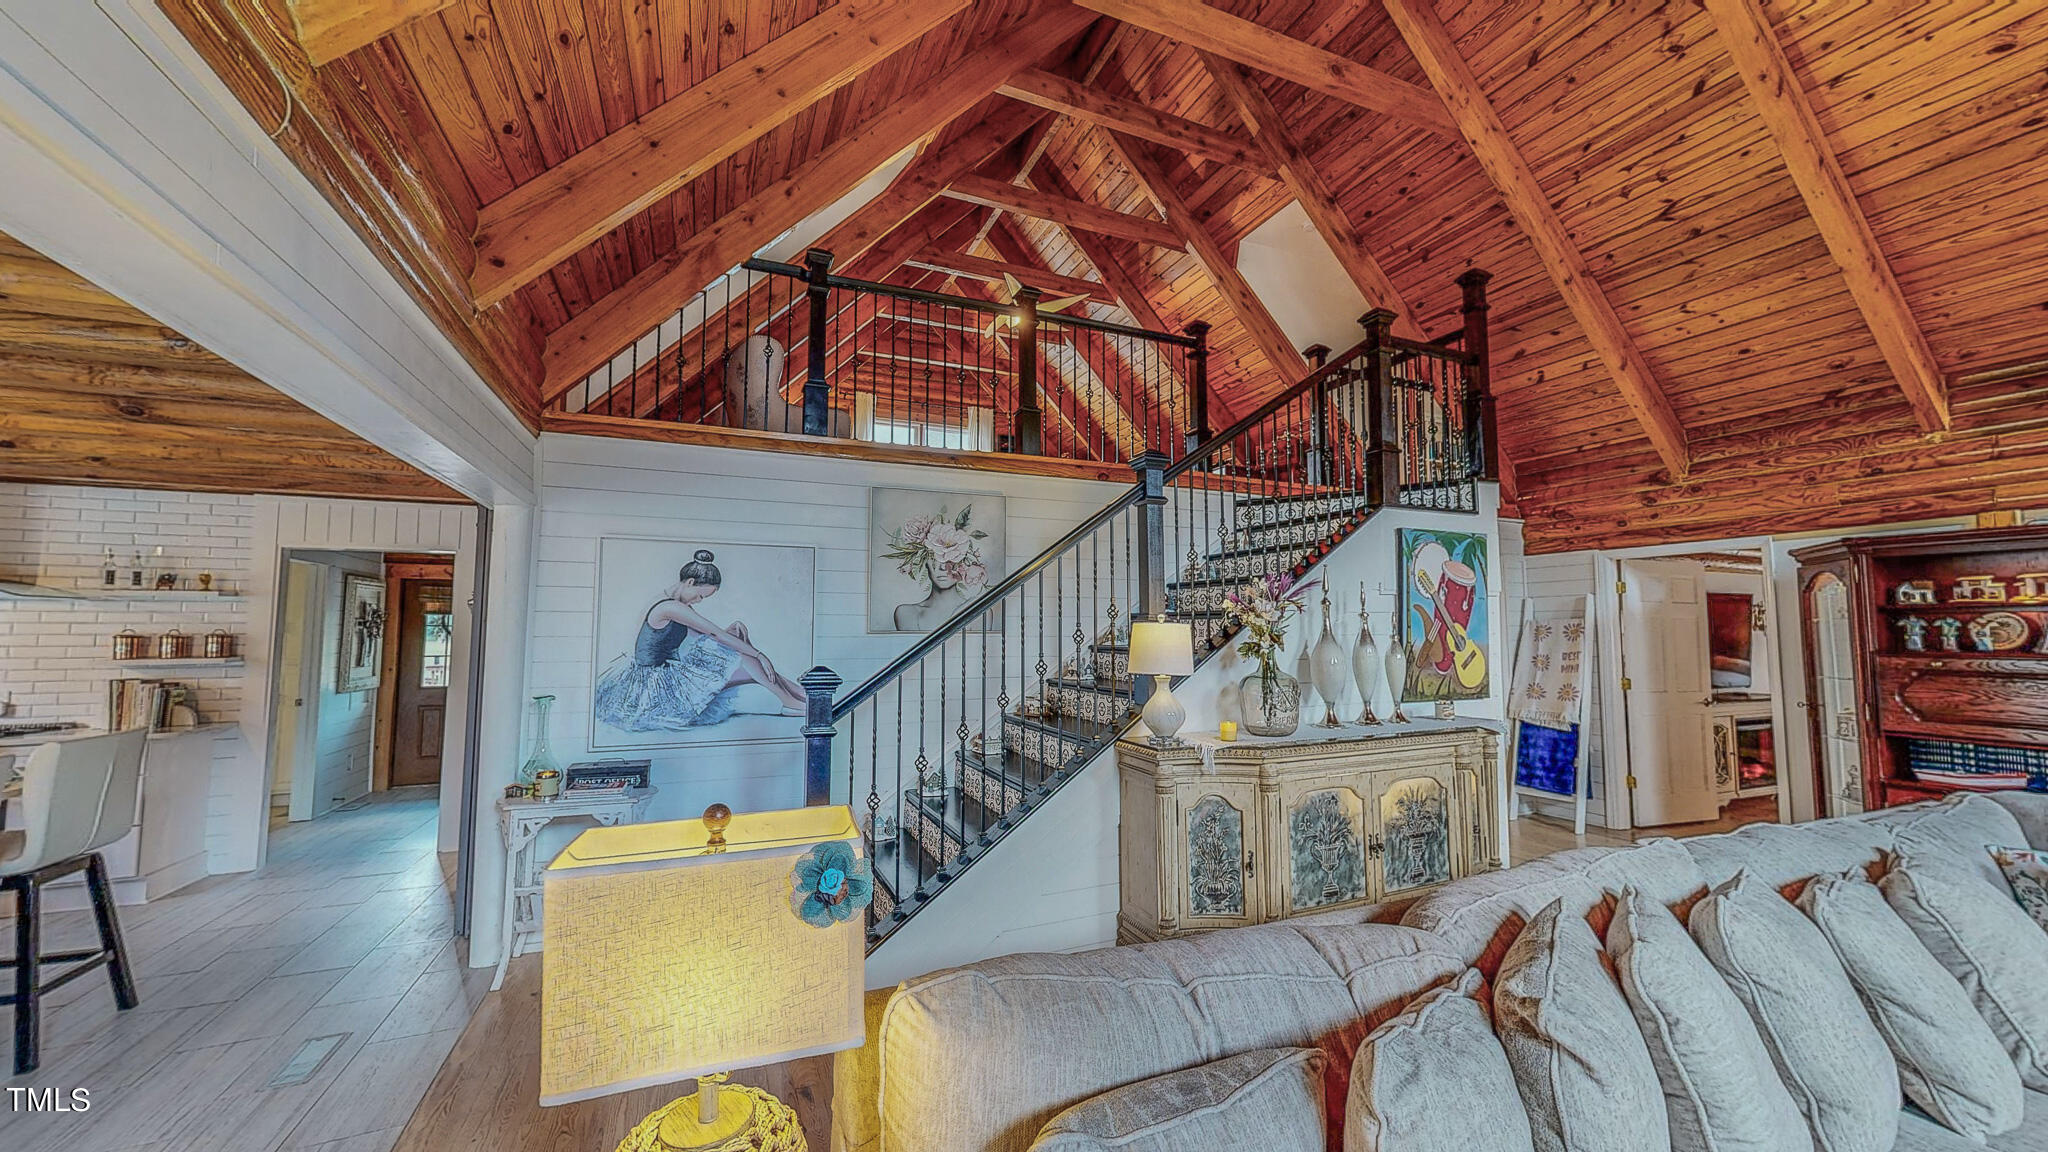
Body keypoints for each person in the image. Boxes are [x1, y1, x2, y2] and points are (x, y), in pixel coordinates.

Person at [594, 550, 806, 732]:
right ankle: (792, 702)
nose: (699, 601)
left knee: (737, 641)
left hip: (664, 673)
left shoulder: (673, 603)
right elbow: (715, 634)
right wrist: (759, 654)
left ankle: (801, 695)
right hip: (656, 685)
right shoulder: (671, 607)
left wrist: (733, 633)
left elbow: (705, 635)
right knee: (743, 654)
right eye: (700, 596)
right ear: (690, 583)